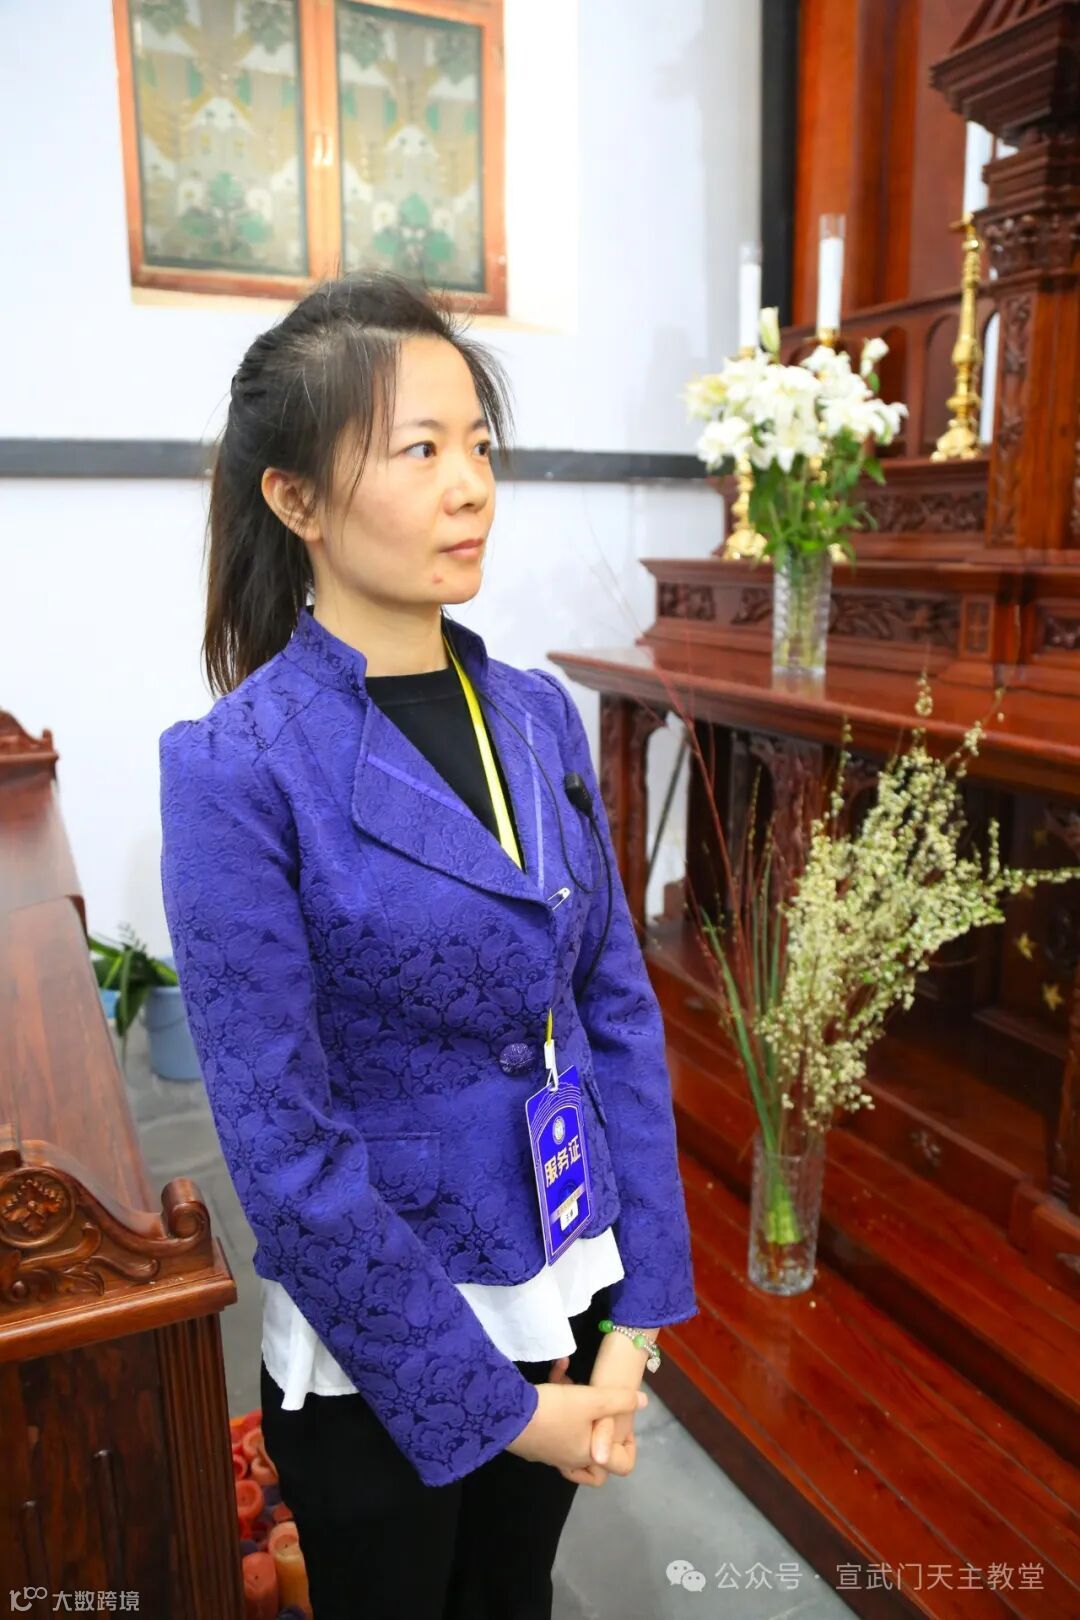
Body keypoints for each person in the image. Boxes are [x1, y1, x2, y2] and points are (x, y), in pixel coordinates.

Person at [158, 270, 698, 1618]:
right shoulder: (240, 768)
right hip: (386, 1335)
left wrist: (637, 1313)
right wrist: (508, 1415)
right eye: (419, 450)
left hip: (564, 1278)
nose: (470, 489)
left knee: (514, 1595)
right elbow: (284, 1153)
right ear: (295, 500)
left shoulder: (535, 715)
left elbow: (613, 1011)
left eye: (480, 446)